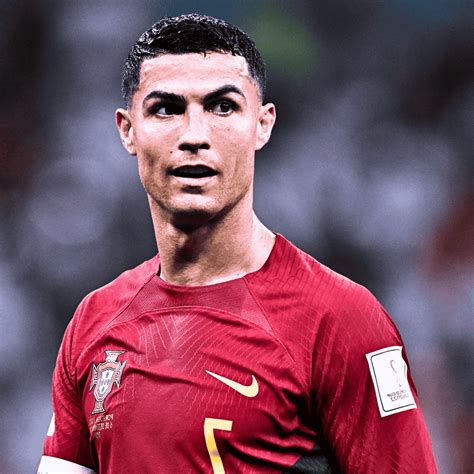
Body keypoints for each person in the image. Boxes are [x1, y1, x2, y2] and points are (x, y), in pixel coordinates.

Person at [38, 13, 437, 473]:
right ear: (128, 130)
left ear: (262, 125)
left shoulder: (341, 319)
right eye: (165, 109)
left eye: (223, 107)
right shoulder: (94, 322)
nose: (194, 136)